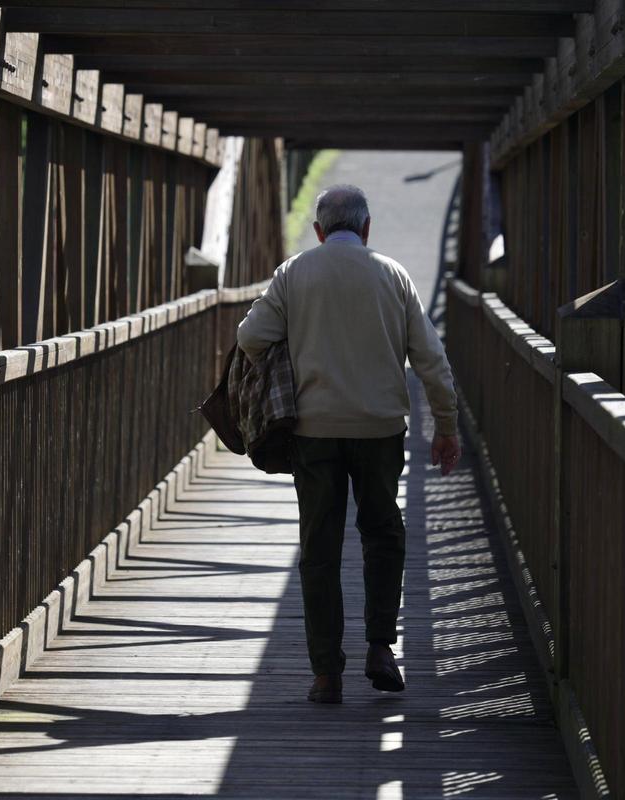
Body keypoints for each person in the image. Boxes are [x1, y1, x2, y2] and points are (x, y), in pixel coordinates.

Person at [236, 184, 461, 704]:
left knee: (320, 547)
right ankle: (381, 647)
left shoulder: (294, 274)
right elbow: (432, 360)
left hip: (313, 431)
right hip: (380, 430)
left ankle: (325, 674)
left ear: (319, 230)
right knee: (383, 534)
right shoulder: (393, 275)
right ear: (366, 229)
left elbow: (251, 338)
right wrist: (445, 427)